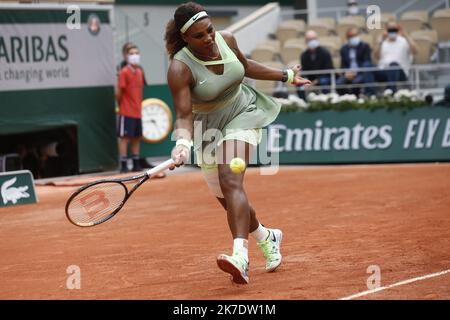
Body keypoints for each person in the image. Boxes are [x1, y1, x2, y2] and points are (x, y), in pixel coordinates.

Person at [165, 2, 310, 284]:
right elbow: (183, 115)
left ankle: (240, 257)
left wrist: (286, 75)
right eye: (199, 36)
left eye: (210, 31)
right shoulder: (179, 69)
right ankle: (267, 237)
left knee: (230, 179)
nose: (208, 38)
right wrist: (182, 143)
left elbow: (244, 68)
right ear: (185, 38)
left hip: (243, 111)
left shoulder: (227, 39)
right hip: (205, 126)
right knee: (227, 199)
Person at [116, 44, 145, 173]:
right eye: (132, 53)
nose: (135, 56)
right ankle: (123, 164)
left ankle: (136, 163)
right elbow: (118, 93)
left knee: (137, 137)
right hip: (126, 111)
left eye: (136, 53)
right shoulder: (124, 72)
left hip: (138, 112)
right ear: (126, 56)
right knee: (124, 138)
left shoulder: (140, 71)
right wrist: (122, 105)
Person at [374, 21, 418, 92]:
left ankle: (391, 91)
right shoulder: (382, 42)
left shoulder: (404, 41)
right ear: (386, 30)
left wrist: (406, 35)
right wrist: (380, 41)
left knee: (393, 65)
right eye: (390, 29)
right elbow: (376, 56)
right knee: (367, 66)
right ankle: (369, 93)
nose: (392, 31)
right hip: (384, 71)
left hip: (400, 72)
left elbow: (415, 51)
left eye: (394, 29)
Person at [337, 27, 375, 96]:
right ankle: (346, 98)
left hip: (361, 72)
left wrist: (356, 73)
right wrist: (346, 73)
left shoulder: (365, 46)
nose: (354, 38)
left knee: (356, 82)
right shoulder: (344, 49)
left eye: (355, 35)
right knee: (339, 83)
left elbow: (367, 62)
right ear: (348, 38)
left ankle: (355, 98)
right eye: (351, 36)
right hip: (348, 73)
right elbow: (343, 65)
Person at [298, 30, 334, 99]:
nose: (312, 41)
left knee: (324, 81)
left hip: (323, 77)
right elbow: (305, 71)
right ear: (306, 41)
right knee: (299, 83)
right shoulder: (304, 55)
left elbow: (329, 69)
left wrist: (316, 81)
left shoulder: (325, 53)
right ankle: (303, 103)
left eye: (313, 39)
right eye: (309, 40)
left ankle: (326, 100)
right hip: (310, 79)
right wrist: (305, 81)